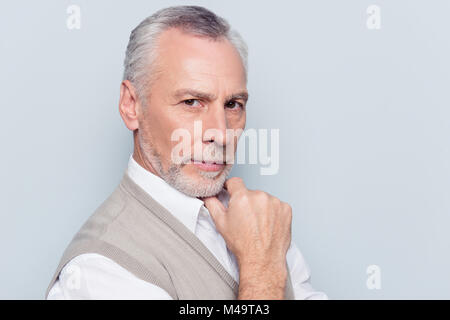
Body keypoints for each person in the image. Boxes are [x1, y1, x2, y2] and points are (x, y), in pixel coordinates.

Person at [46, 5, 327, 300]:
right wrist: (262, 272)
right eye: (192, 102)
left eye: (233, 105)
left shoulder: (260, 223)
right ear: (131, 105)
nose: (220, 132)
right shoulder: (101, 269)